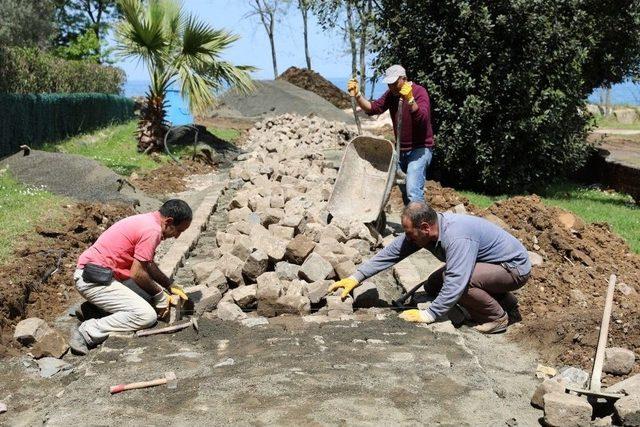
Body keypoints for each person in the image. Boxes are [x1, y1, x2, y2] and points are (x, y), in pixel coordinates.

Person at [329, 202, 531, 334]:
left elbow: (457, 280)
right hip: (493, 266)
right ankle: (507, 302)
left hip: (512, 269)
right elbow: (392, 252)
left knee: (462, 283)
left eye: (409, 233)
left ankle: (496, 317)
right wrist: (356, 277)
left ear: (425, 227)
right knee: (434, 284)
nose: (407, 238)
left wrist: (430, 314)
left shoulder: (457, 236)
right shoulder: (427, 231)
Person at [69, 199, 192, 355]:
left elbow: (147, 263)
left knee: (147, 298)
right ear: (169, 222)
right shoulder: (152, 231)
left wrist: (169, 285)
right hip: (93, 280)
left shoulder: (148, 221)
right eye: (178, 231)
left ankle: (94, 309)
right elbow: (137, 273)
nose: (177, 237)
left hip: (101, 275)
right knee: (146, 316)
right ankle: (87, 331)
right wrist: (160, 295)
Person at [348, 64, 434, 205]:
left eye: (394, 83)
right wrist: (357, 95)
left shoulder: (419, 92)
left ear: (404, 79)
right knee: (406, 192)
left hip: (420, 148)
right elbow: (373, 108)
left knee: (413, 190)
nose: (391, 87)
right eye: (389, 84)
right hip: (401, 150)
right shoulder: (391, 95)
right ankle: (412, 222)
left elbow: (423, 119)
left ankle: (421, 224)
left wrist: (410, 99)